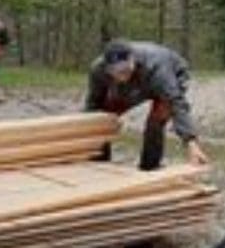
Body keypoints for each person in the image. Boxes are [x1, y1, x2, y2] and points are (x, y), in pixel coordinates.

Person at [85, 39, 209, 170]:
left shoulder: (157, 67)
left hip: (169, 76)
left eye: (125, 69)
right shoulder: (98, 70)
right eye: (117, 72)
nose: (122, 75)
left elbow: (175, 102)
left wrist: (191, 143)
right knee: (103, 116)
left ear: (132, 59)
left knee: (156, 119)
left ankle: (149, 166)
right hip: (135, 84)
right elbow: (94, 104)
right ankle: (100, 162)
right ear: (107, 69)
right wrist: (89, 135)